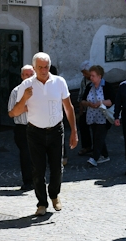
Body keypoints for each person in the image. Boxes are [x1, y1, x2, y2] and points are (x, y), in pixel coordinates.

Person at [10, 52, 78, 215]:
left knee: (57, 168)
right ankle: (42, 203)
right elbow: (14, 113)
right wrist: (24, 98)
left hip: (56, 130)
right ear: (34, 68)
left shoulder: (59, 82)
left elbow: (68, 107)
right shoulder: (26, 85)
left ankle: (54, 194)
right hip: (35, 132)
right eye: (40, 67)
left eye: (46, 66)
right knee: (38, 169)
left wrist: (74, 131)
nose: (43, 70)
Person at [7, 64, 35, 190]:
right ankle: (28, 181)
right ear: (22, 76)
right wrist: (25, 108)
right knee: (25, 154)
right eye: (26, 75)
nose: (28, 77)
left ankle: (38, 180)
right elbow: (12, 113)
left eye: (31, 75)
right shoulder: (16, 91)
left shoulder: (40, 90)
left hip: (38, 126)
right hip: (22, 127)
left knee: (38, 154)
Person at [82, 65, 113, 167]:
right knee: (97, 136)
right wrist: (89, 104)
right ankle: (104, 155)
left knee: (98, 137)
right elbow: (83, 100)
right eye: (90, 76)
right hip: (92, 116)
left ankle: (94, 158)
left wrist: (101, 102)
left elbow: (112, 101)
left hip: (103, 117)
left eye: (93, 76)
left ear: (100, 76)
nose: (91, 78)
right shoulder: (89, 87)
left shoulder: (107, 86)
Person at [76, 60, 93, 157]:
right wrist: (80, 108)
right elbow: (81, 94)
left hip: (94, 108)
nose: (83, 75)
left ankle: (99, 149)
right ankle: (86, 146)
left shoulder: (96, 79)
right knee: (83, 127)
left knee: (96, 130)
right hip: (85, 108)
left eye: (84, 72)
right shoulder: (84, 80)